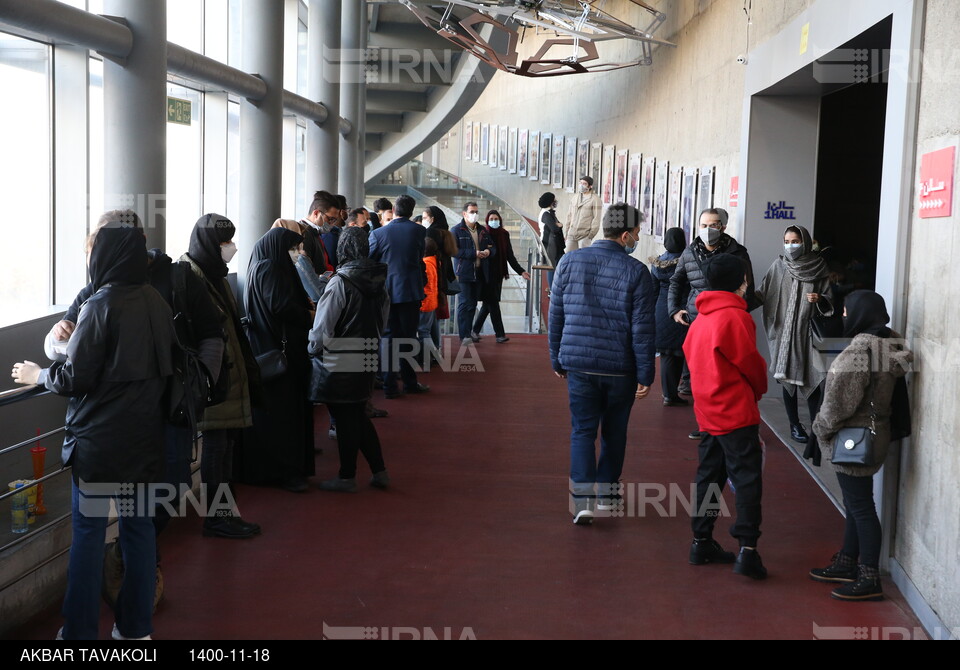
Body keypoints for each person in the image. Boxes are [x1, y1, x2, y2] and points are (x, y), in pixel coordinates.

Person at [12, 223, 175, 641]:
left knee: (88, 535)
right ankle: (136, 628)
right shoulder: (155, 300)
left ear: (103, 257)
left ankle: (80, 632)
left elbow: (74, 377)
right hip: (144, 441)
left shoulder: (100, 304)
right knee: (138, 534)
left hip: (99, 446)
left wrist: (37, 373)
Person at [52, 210, 224, 604]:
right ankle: (137, 598)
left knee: (162, 498)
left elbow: (211, 333)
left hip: (163, 415)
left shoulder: (176, 278)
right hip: (130, 423)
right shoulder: (100, 290)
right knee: (140, 519)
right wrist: (58, 332)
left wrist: (200, 388)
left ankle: (114, 590)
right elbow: (64, 332)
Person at [548, 203, 656, 526]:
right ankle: (608, 493)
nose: (637, 238)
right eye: (637, 233)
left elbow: (556, 315)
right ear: (625, 235)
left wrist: (556, 355)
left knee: (582, 430)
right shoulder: (637, 272)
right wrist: (646, 373)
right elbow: (642, 329)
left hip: (579, 364)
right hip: (620, 369)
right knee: (614, 432)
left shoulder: (569, 261)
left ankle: (582, 500)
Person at [811, 291, 912, 602]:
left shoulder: (858, 352)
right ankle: (846, 561)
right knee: (858, 503)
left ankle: (868, 576)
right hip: (874, 432)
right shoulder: (887, 347)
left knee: (861, 508)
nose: (843, 316)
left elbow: (839, 402)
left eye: (845, 310)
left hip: (851, 437)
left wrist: (820, 429)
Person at [683, 253, 769, 580]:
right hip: (735, 412)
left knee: (709, 479)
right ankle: (748, 549)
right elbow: (751, 364)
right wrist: (758, 391)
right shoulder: (735, 318)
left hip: (707, 411)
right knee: (746, 480)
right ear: (740, 282)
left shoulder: (701, 317)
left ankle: (700, 540)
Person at [180, 213, 262, 540]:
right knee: (215, 452)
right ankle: (218, 517)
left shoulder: (213, 273)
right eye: (224, 241)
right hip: (212, 379)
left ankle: (225, 514)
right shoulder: (191, 277)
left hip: (226, 377)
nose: (230, 247)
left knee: (225, 448)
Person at [309, 227, 391, 493]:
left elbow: (324, 327)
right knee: (357, 413)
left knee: (345, 417)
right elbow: (383, 320)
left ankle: (346, 477)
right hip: (367, 350)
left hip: (340, 355)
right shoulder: (380, 280)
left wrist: (312, 348)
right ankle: (379, 471)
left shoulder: (340, 281)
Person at [669, 208, 760, 440]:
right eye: (703, 225)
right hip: (698, 319)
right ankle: (705, 425)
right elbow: (676, 281)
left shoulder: (738, 253)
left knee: (727, 374)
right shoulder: (690, 252)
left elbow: (748, 286)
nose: (708, 230)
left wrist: (739, 310)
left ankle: (732, 424)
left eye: (714, 225)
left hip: (729, 320)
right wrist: (674, 309)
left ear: (723, 227)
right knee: (700, 378)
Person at [238, 227, 315, 492]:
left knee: (276, 412)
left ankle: (277, 467)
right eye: (293, 248)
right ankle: (284, 470)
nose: (296, 254)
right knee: (283, 412)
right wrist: (309, 316)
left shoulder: (259, 266)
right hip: (279, 350)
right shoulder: (270, 268)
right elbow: (280, 306)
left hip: (267, 345)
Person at [757, 225, 833, 457]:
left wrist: (820, 299)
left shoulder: (819, 267)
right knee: (787, 380)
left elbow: (831, 298)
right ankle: (794, 425)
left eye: (795, 241)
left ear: (806, 242)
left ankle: (816, 427)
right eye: (787, 241)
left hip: (809, 333)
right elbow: (763, 292)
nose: (791, 245)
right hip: (783, 334)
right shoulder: (778, 266)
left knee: (814, 379)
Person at [369, 194, 429, 399]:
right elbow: (419, 256)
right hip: (410, 292)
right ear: (412, 212)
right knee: (408, 338)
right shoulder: (419, 231)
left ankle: (389, 386)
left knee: (387, 338)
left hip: (385, 293)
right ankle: (410, 382)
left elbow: (371, 260)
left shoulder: (378, 234)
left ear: (393, 210)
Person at [474, 209, 530, 343]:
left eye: (496, 219)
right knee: (493, 303)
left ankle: (474, 331)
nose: (494, 221)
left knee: (488, 304)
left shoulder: (504, 234)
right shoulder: (483, 233)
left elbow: (509, 256)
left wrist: (521, 271)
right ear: (487, 221)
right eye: (491, 219)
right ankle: (499, 334)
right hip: (486, 274)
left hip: (498, 273)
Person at [649, 227, 689, 406]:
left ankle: (668, 394)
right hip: (683, 310)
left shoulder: (657, 263)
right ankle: (683, 386)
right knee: (682, 352)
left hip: (661, 310)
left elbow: (653, 291)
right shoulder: (688, 261)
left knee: (666, 354)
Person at [451, 202, 495, 345]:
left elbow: (492, 246)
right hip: (464, 273)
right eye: (471, 211)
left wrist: (488, 252)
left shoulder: (482, 230)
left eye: (476, 211)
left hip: (480, 272)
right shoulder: (456, 230)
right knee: (464, 303)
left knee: (472, 304)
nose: (474, 214)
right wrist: (473, 253)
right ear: (464, 213)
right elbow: (454, 251)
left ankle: (468, 332)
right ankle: (464, 335)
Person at [273, 219, 330, 303]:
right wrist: (324, 279)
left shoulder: (271, 256)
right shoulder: (297, 257)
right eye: (301, 235)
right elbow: (318, 295)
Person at [300, 190, 338, 274]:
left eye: (334, 220)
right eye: (330, 219)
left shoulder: (315, 232)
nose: (332, 224)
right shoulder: (302, 234)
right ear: (316, 213)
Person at [564, 176, 602, 253]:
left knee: (583, 257)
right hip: (572, 233)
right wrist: (566, 232)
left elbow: (596, 218)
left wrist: (590, 235)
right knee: (568, 255)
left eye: (584, 184)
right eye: (580, 183)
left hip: (585, 235)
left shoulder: (595, 199)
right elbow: (569, 215)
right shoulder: (575, 197)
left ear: (590, 186)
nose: (581, 185)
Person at [418, 238, 440, 366]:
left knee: (423, 332)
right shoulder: (434, 261)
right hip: (432, 301)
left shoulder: (425, 264)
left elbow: (423, 284)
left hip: (425, 303)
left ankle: (434, 356)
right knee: (427, 330)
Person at [539, 192, 564, 291]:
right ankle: (551, 289)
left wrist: (558, 225)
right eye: (554, 200)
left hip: (554, 244)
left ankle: (554, 288)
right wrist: (559, 225)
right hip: (549, 245)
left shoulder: (549, 212)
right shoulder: (546, 214)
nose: (555, 201)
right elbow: (554, 228)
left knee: (555, 266)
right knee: (551, 268)